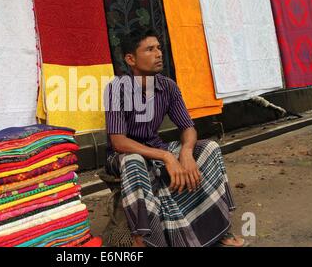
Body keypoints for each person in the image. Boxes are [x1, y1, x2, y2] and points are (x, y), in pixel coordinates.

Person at [103, 29, 247, 247]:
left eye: (159, 48)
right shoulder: (117, 89)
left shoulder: (168, 86)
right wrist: (168, 157)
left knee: (209, 147)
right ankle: (143, 241)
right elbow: (119, 141)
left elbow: (188, 127)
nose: (159, 53)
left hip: (155, 147)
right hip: (122, 155)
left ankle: (219, 229)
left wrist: (186, 153)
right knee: (134, 162)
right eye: (150, 49)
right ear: (131, 59)